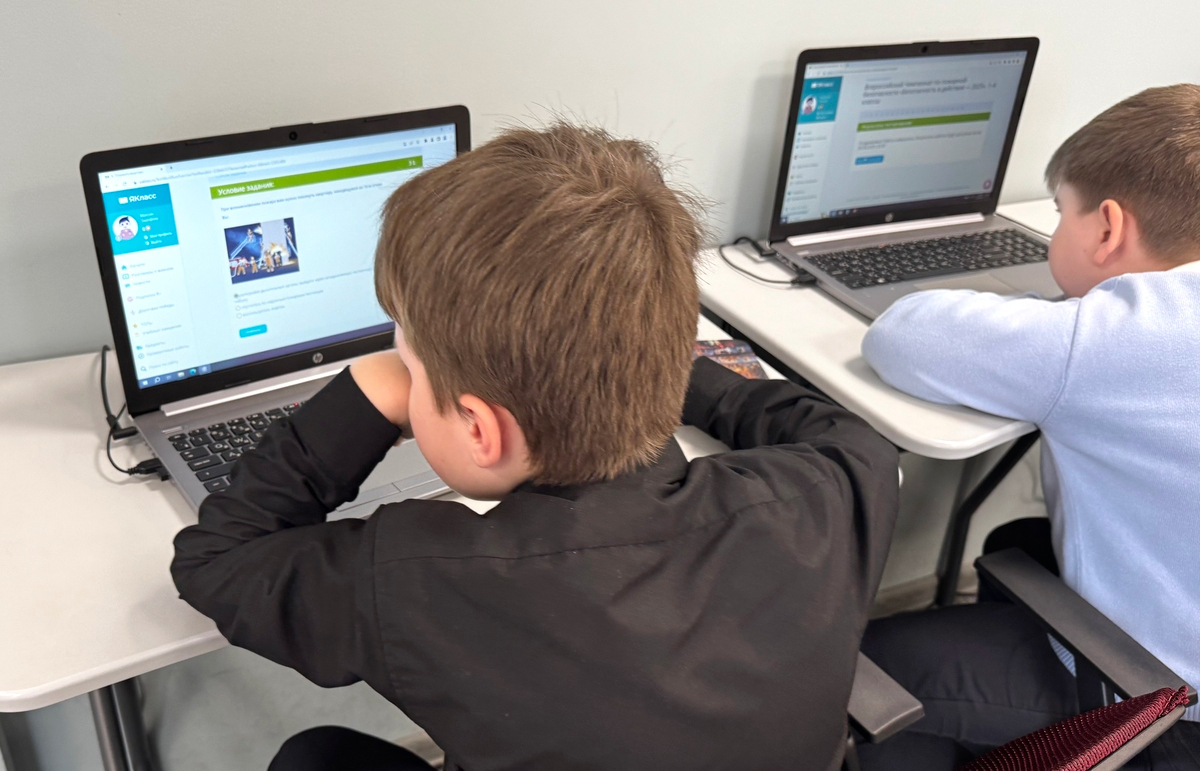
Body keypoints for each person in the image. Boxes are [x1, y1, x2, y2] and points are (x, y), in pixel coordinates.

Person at [171, 122, 900, 771]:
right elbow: (837, 428)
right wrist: (636, 360)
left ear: (480, 431)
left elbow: (216, 560)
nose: (402, 383)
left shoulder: (420, 579)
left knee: (315, 756)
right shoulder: (835, 488)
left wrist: (362, 400)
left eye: (409, 372)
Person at [858, 84, 1200, 768]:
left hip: (1170, 706)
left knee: (874, 670)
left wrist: (1062, 313)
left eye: (1059, 213)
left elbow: (900, 335)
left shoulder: (1114, 338)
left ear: (1107, 229)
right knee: (1016, 543)